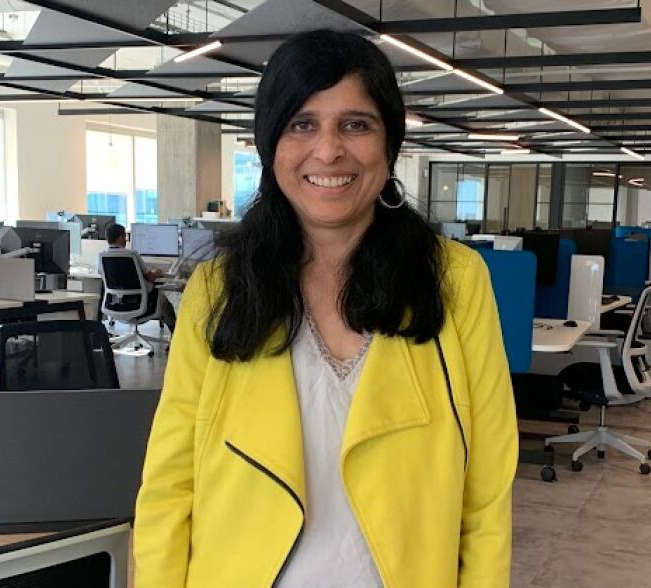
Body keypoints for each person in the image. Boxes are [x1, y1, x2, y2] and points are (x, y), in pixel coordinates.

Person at [134, 29, 517, 588]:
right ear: (272, 145)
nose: (329, 149)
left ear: (389, 144)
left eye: (355, 124)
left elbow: (487, 490)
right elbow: (169, 485)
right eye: (302, 124)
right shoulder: (220, 289)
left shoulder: (454, 282)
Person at [101, 223, 176, 333]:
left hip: (116, 304)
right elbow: (150, 278)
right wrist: (157, 271)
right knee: (165, 300)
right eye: (125, 237)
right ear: (121, 237)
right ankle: (174, 334)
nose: (126, 240)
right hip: (140, 303)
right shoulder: (131, 254)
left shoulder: (102, 256)